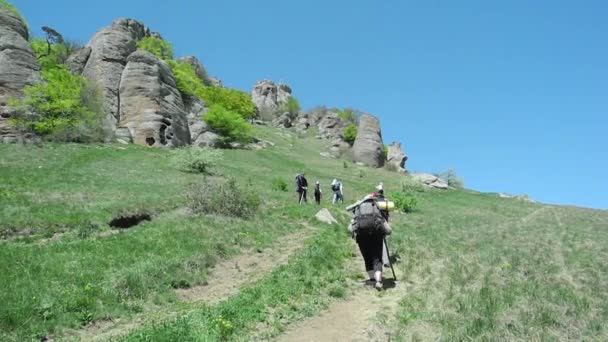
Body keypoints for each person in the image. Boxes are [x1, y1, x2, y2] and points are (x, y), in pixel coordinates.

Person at [347, 195, 392, 290]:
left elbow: (350, 228)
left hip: (362, 237)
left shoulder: (358, 209)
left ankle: (372, 279)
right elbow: (389, 230)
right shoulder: (377, 208)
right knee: (377, 258)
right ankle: (379, 281)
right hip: (376, 236)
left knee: (367, 257)